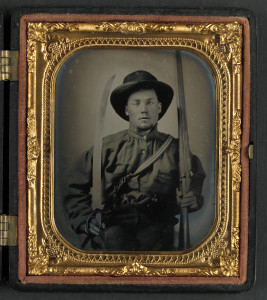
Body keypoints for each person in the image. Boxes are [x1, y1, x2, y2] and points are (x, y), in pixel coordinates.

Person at [64, 70, 205, 251]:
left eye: (150, 102)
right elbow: (74, 189)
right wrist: (85, 220)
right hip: (112, 227)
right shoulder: (106, 148)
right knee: (115, 240)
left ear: (159, 107)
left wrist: (192, 197)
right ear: (126, 109)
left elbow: (195, 180)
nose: (144, 109)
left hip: (159, 229)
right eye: (136, 103)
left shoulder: (177, 150)